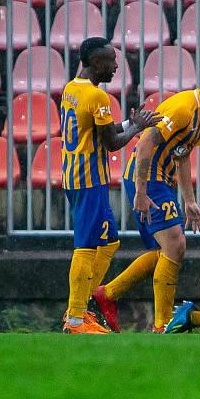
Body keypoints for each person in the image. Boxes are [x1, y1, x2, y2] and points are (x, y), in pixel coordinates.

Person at [93, 59, 200, 332]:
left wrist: (189, 200)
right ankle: (162, 323)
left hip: (160, 181)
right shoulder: (183, 107)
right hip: (148, 179)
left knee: (165, 251)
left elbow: (182, 154)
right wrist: (140, 191)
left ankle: (107, 295)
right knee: (175, 245)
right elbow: (144, 145)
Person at [60, 36, 160, 334]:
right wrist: (138, 129)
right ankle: (76, 319)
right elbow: (112, 143)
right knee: (87, 245)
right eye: (110, 60)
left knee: (110, 240)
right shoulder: (97, 97)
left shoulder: (71, 89)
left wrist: (131, 124)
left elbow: (102, 130)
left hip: (77, 176)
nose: (116, 66)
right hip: (88, 179)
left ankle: (78, 307)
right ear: (94, 62)